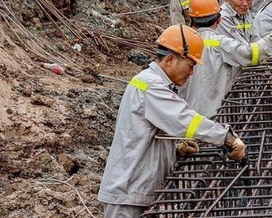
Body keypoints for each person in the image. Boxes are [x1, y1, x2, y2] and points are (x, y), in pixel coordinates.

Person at [98, 24, 247, 218]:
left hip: (136, 191)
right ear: (170, 60)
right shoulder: (150, 86)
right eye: (190, 66)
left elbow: (144, 137)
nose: (192, 73)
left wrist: (175, 151)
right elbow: (185, 120)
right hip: (127, 194)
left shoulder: (153, 83)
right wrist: (227, 137)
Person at [181, 0, 272, 117]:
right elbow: (251, 53)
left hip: (184, 114)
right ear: (219, 19)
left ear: (192, 19)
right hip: (209, 115)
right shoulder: (220, 43)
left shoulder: (181, 41)